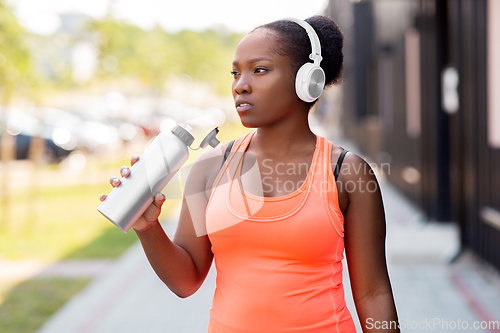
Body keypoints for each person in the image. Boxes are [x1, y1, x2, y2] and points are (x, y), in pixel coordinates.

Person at [100, 15, 400, 333]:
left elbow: (373, 293)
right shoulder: (212, 167)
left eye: (259, 70)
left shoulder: (347, 173)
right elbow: (186, 281)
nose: (240, 85)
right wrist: (148, 227)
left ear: (307, 80)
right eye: (235, 72)